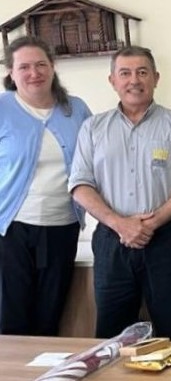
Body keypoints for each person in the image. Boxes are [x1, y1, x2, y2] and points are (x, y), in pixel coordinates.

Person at [68, 46, 171, 341]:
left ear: (156, 78)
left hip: (167, 239)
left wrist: (149, 224)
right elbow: (80, 186)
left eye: (142, 72)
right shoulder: (92, 128)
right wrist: (121, 224)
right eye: (125, 73)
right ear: (112, 81)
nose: (134, 80)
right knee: (111, 331)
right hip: (111, 241)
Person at [0, 37, 92, 335]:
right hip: (11, 228)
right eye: (24, 67)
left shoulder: (75, 109)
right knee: (11, 317)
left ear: (53, 67)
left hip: (62, 226)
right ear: (11, 73)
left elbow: (95, 160)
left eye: (41, 65)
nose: (34, 73)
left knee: (49, 316)